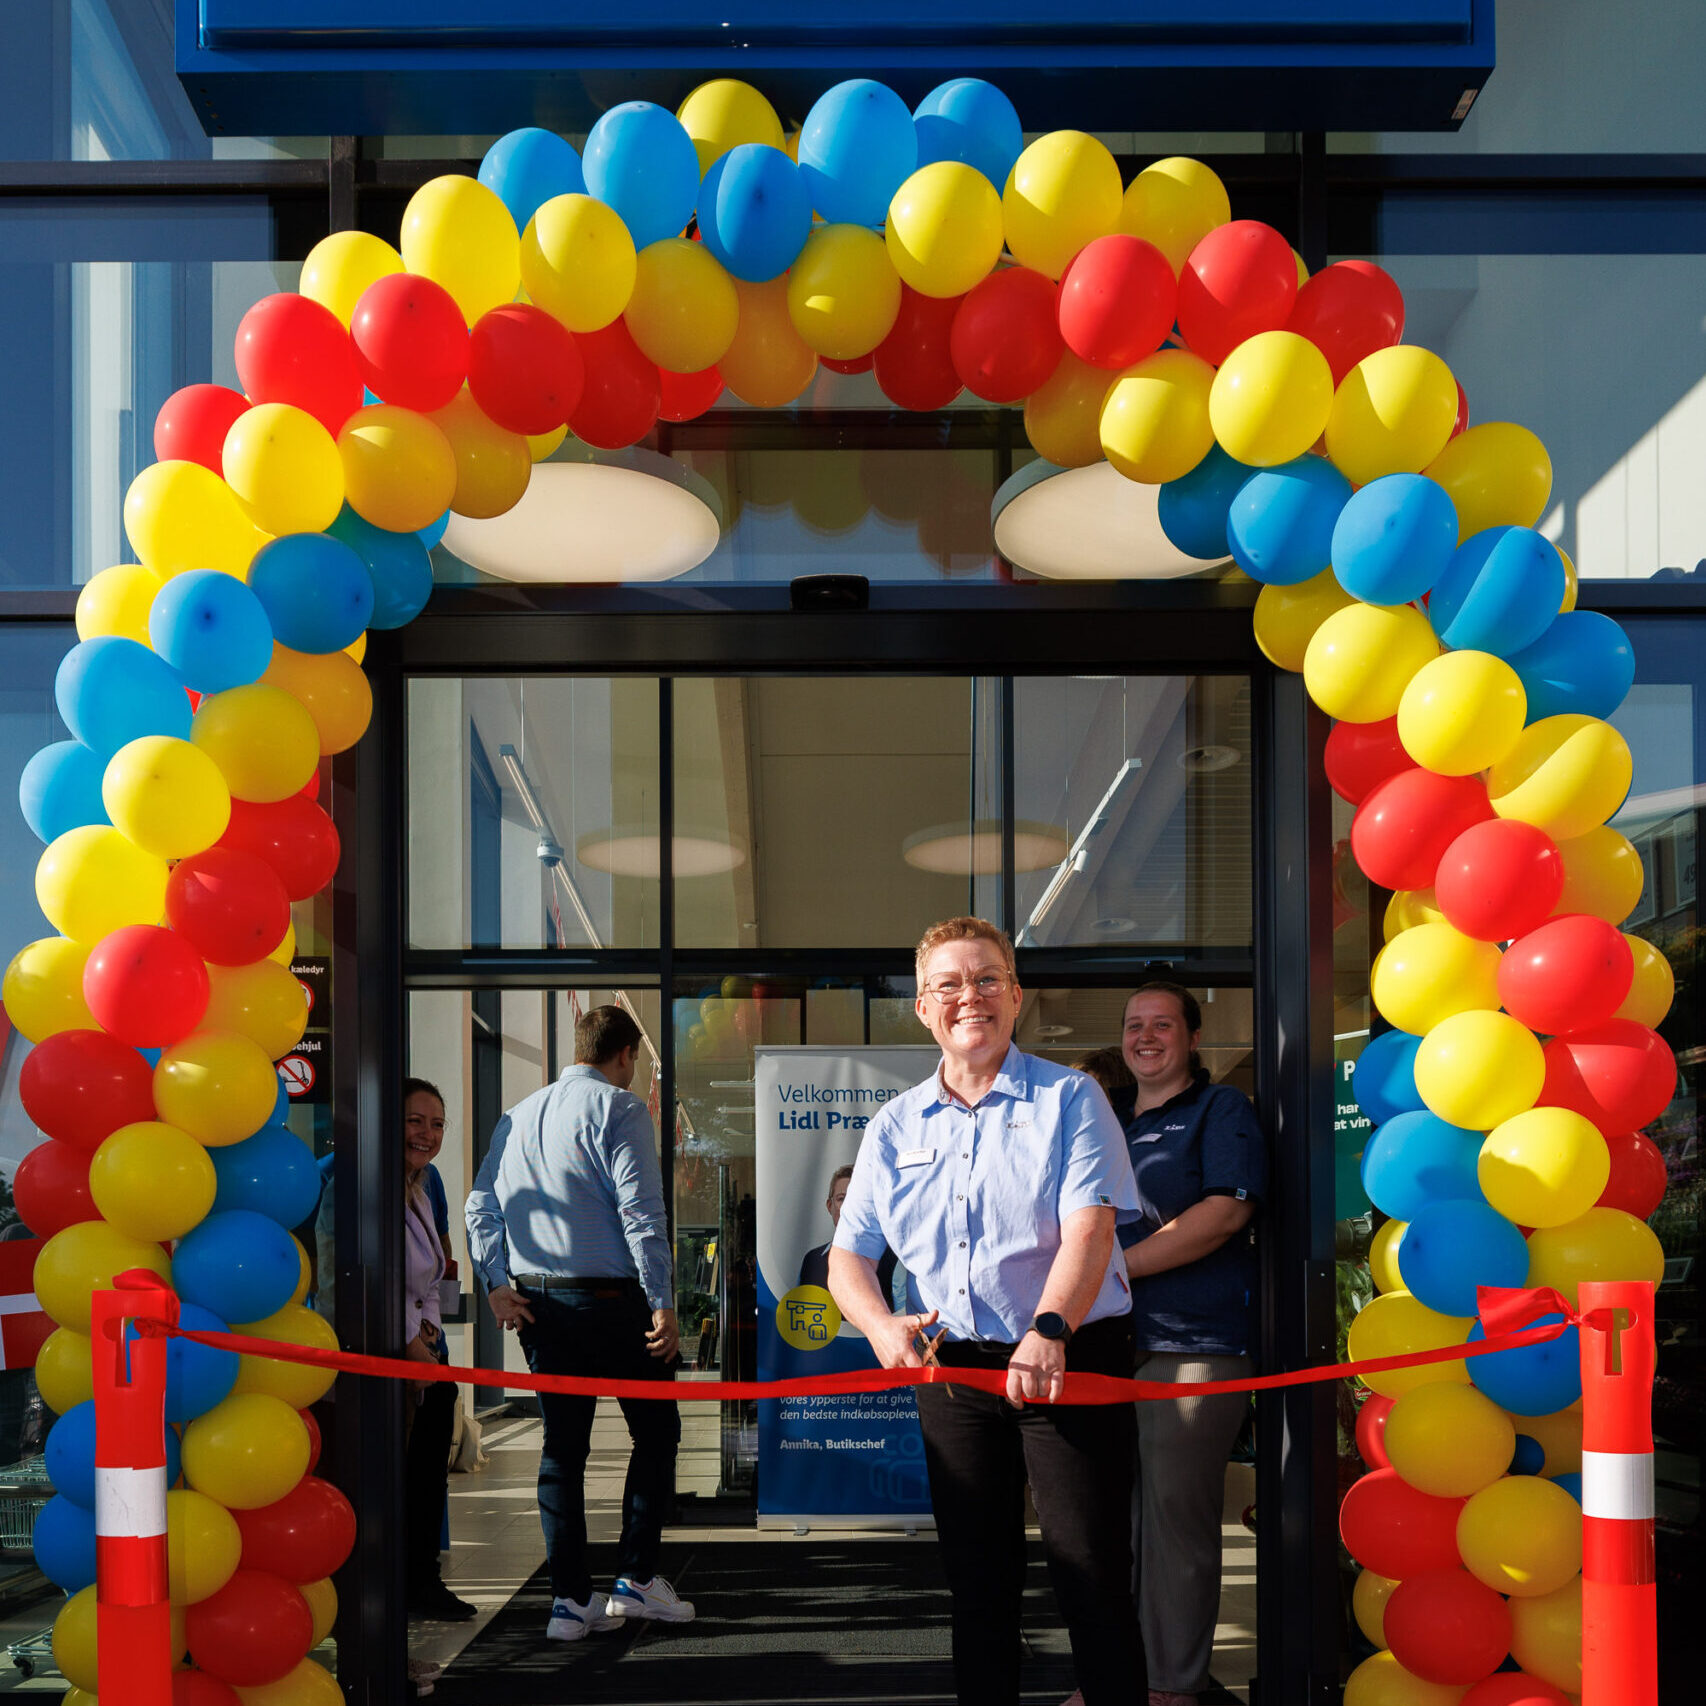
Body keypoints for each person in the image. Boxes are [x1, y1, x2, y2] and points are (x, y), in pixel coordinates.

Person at [828, 917, 1144, 1706]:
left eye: (987, 979)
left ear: (1016, 995)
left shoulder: (1071, 1098)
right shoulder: (893, 1124)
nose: (970, 996)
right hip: (954, 1370)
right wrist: (878, 1323)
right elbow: (847, 1257)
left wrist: (1049, 1329)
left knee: (1092, 1574)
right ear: (924, 1009)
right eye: (949, 984)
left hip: (1070, 1355)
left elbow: (1091, 1227)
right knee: (977, 1581)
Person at [465, 1004, 692, 1642]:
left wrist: (495, 1282)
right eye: (635, 1062)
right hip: (614, 1301)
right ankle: (635, 1581)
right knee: (656, 1431)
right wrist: (663, 1301)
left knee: (563, 1451)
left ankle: (569, 1601)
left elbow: (480, 1203)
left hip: (540, 1303)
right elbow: (642, 1212)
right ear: (624, 1056)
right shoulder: (619, 1110)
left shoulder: (518, 1113)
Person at [1113, 982, 1265, 1706]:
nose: (1146, 1036)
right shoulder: (1107, 1120)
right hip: (1110, 1350)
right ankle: (1127, 1677)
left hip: (1193, 1347)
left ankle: (1171, 1687)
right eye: (1134, 1025)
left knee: (1176, 1528)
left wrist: (1110, 1270)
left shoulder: (1221, 1110)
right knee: (1122, 1528)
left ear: (1193, 1038)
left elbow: (1223, 1216)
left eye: (1163, 1024)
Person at [314, 1077, 474, 1627]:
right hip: (369, 1363)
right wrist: (408, 1346)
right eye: (414, 1121)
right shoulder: (353, 1185)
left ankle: (422, 1584)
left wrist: (426, 1337)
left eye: (436, 1124)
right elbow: (353, 1281)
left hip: (419, 1358)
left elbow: (430, 1273)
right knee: (375, 1490)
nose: (426, 1134)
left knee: (425, 1481)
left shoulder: (422, 1184)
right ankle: (371, 1607)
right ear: (389, 1123)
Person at [798, 1163, 898, 1303]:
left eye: (855, 1199)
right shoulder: (812, 1260)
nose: (848, 1208)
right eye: (841, 1199)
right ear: (829, 1206)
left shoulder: (894, 1260)